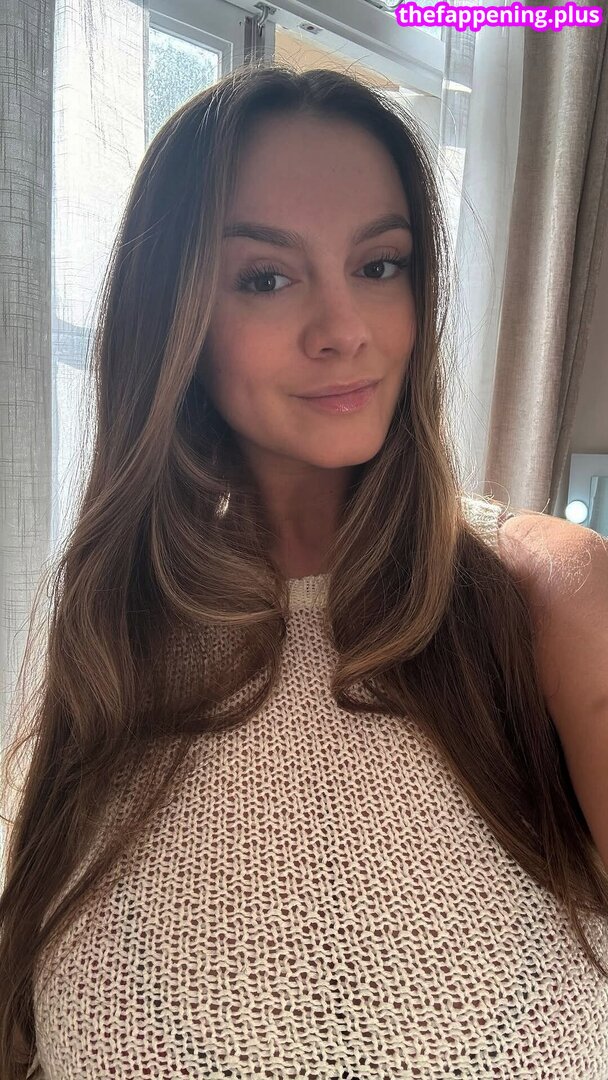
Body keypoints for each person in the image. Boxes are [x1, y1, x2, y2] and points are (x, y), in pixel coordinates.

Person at [1, 64, 607, 1080]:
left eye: (379, 264)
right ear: (177, 319)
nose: (345, 329)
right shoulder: (117, 627)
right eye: (266, 278)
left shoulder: (545, 594)